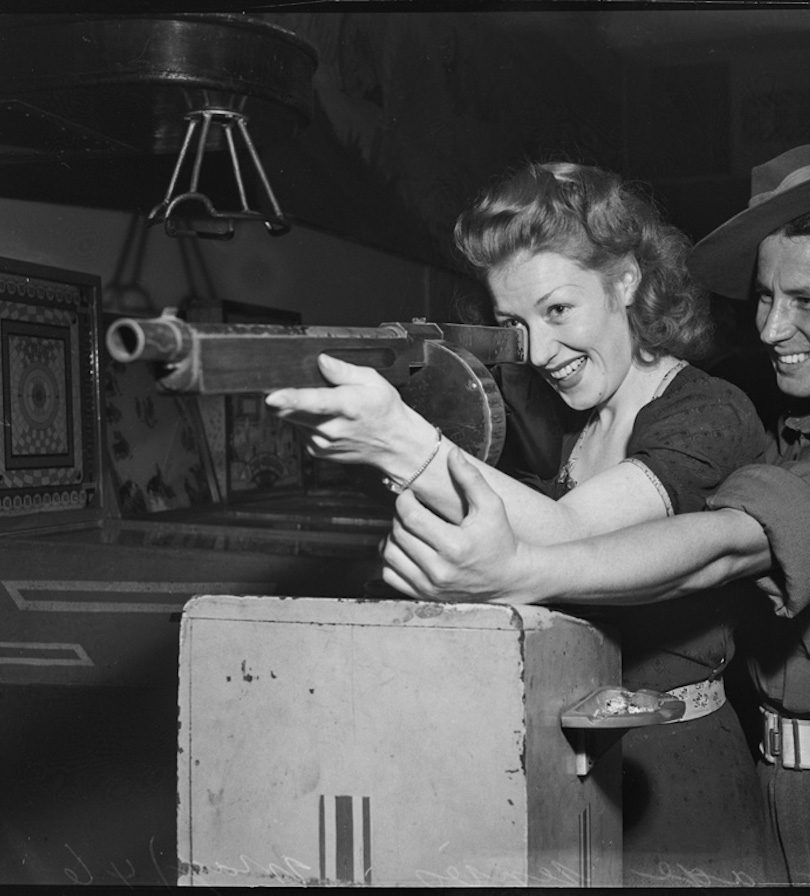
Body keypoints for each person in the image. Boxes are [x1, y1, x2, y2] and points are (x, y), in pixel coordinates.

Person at [380, 145, 810, 887]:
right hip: (780, 801)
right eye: (764, 297)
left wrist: (520, 568)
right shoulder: (806, 432)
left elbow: (726, 547)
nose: (769, 329)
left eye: (806, 301)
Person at [265, 161, 775, 885]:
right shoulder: (582, 433)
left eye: (558, 310)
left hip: (680, 781)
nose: (536, 351)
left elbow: (570, 538)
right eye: (514, 323)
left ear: (626, 281)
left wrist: (402, 443)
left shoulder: (710, 415)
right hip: (577, 771)